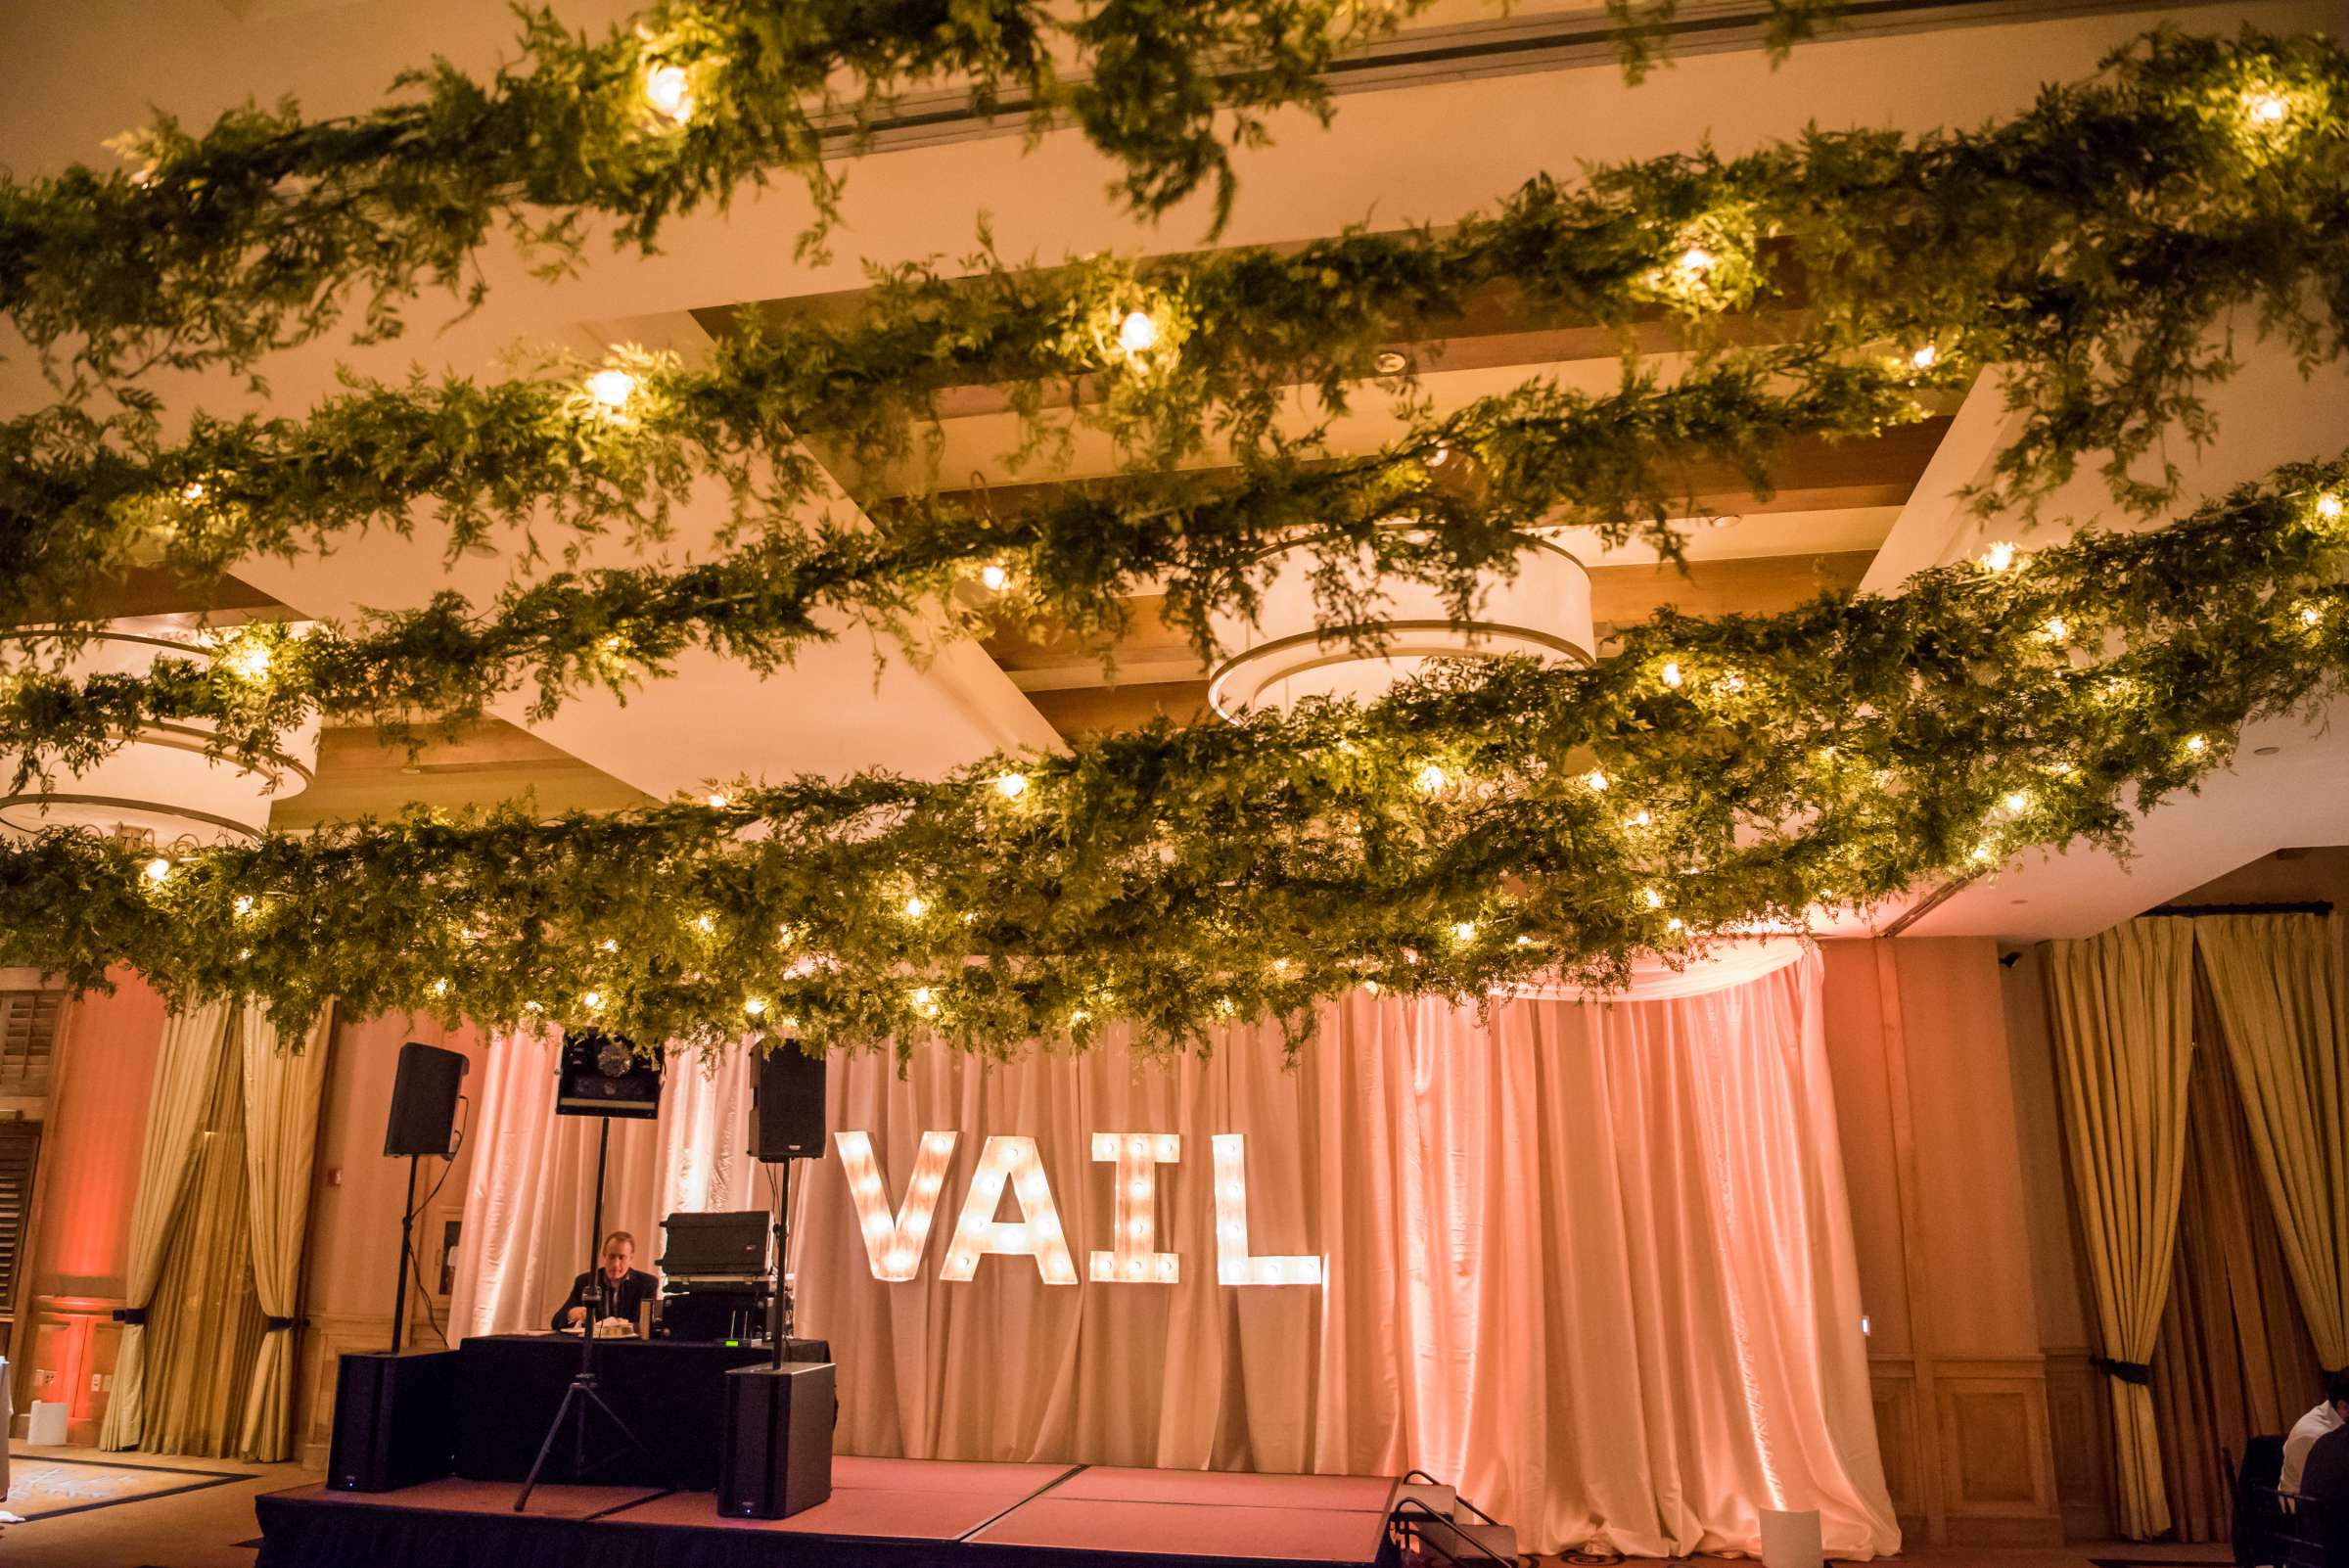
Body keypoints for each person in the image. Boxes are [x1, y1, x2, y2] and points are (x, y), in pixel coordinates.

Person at [551, 1230, 659, 1333]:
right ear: (604, 1255)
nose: (616, 1264)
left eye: (622, 1257)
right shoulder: (585, 1282)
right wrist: (571, 1314)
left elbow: (650, 1326)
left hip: (631, 1348)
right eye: (612, 1257)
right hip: (595, 1347)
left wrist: (619, 1327)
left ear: (631, 1258)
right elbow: (556, 1322)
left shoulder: (647, 1284)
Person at [2283, 1370, 2349, 1495]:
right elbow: (2328, 1490)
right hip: (2305, 1508)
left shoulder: (2339, 1422)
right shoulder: (2312, 1436)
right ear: (2343, 1406)